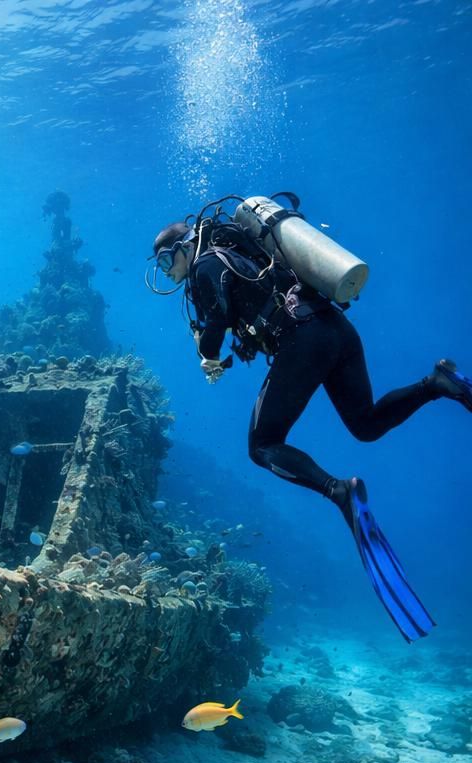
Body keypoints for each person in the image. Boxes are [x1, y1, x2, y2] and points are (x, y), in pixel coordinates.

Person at [149, 203, 472, 641]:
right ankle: (438, 383)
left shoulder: (206, 264)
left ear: (185, 247)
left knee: (262, 445)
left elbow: (219, 318)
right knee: (365, 424)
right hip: (335, 329)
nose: (167, 272)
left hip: (302, 339)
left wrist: (207, 354)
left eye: (166, 260)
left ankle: (339, 491)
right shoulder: (237, 254)